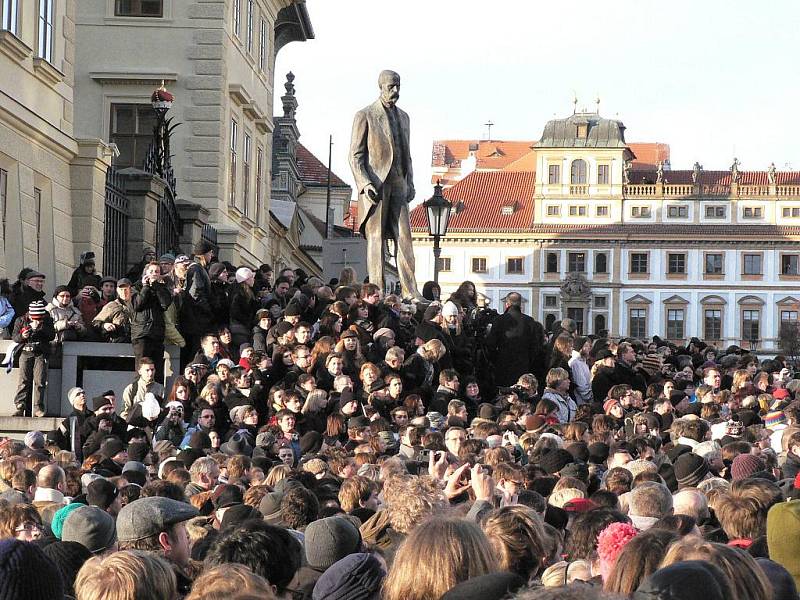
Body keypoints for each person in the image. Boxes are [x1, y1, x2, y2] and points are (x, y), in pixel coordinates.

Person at [349, 70, 421, 298]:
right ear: (380, 87)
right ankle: (377, 291)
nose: (395, 91)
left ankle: (411, 291)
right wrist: (364, 183)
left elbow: (406, 153)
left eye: (398, 86)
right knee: (376, 238)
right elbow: (355, 155)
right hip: (376, 184)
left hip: (399, 180)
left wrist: (410, 181)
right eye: (391, 86)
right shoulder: (366, 115)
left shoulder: (404, 117)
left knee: (405, 237)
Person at [486, 292, 546, 388]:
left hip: (503, 366)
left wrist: (496, 360)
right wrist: (528, 360)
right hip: (524, 366)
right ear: (520, 304)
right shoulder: (529, 321)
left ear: (507, 304)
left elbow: (491, 344)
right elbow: (535, 346)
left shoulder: (499, 320)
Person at [11, 299, 55, 416]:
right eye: (34, 318)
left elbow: (51, 335)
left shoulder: (47, 321)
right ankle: (20, 405)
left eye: (39, 318)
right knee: (23, 380)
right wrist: (23, 335)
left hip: (40, 353)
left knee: (40, 381)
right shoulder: (20, 320)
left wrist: (40, 328)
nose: (36, 320)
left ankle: (38, 407)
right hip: (25, 352)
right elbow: (15, 337)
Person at [129, 262, 172, 381]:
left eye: (157, 272)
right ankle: (138, 396)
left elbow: (165, 304)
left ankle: (156, 396)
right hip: (142, 334)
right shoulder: (135, 288)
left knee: (157, 371)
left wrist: (157, 287)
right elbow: (137, 305)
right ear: (145, 273)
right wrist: (146, 287)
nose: (154, 274)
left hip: (157, 334)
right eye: (151, 271)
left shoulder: (162, 289)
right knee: (141, 369)